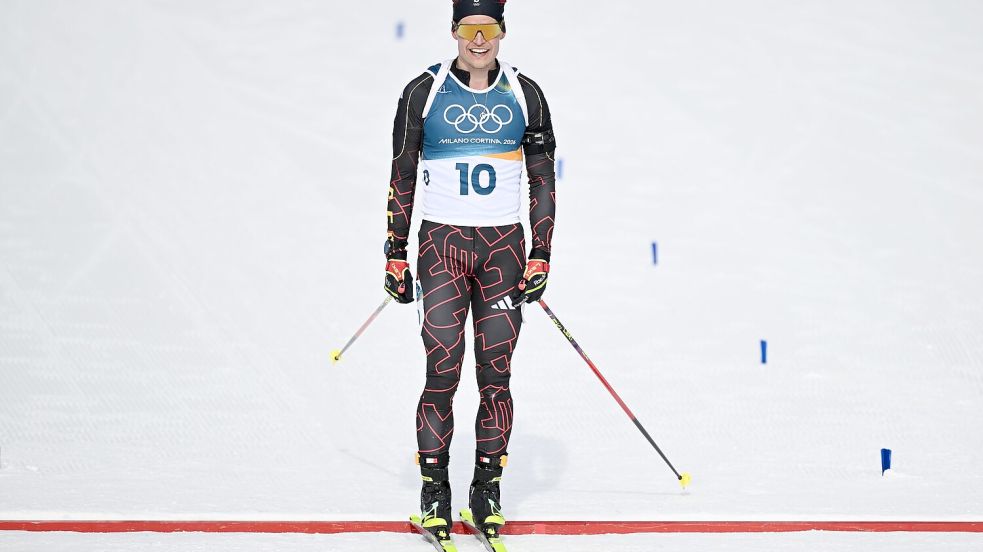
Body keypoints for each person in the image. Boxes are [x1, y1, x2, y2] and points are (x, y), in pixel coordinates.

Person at [383, 0, 557, 548]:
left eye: (487, 30)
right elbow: (403, 171)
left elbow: (543, 180)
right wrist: (394, 249)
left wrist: (542, 253)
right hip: (441, 249)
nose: (477, 40)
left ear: (502, 32)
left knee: (496, 376)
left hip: (504, 251)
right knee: (442, 372)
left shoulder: (525, 95)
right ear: (454, 32)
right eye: (467, 30)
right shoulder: (423, 92)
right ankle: (434, 492)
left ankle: (487, 489)